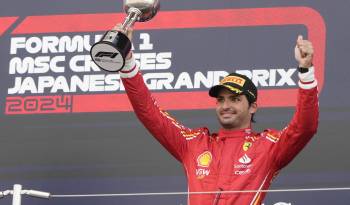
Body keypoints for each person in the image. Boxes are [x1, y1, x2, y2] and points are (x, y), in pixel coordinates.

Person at [117, 26, 319, 205]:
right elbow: (149, 113)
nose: (226, 105)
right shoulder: (194, 144)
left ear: (253, 107)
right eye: (220, 100)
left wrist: (306, 72)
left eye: (235, 99)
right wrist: (127, 62)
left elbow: (304, 128)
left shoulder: (268, 147)